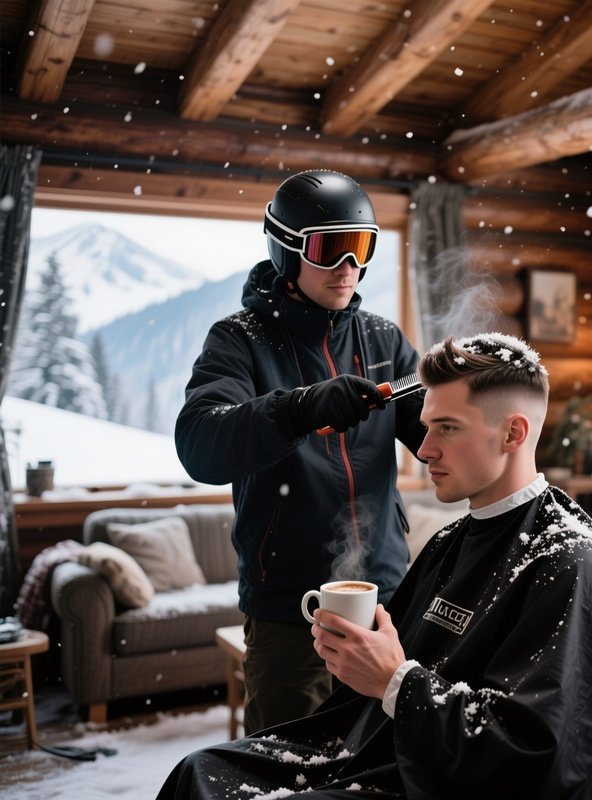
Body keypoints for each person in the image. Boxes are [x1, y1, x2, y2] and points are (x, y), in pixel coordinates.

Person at [160, 332, 592, 800]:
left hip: (447, 783)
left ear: (513, 433)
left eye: (447, 428)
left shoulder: (567, 563)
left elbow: (537, 754)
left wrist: (395, 681)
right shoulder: (452, 540)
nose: (423, 451)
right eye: (426, 427)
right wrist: (365, 663)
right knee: (199, 770)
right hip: (405, 757)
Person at [174, 169, 426, 733]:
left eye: (361, 247)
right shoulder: (241, 339)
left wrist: (471, 395)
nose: (348, 267)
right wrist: (299, 408)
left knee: (385, 754)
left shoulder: (382, 339)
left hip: (386, 601)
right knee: (288, 763)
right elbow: (199, 444)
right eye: (330, 249)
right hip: (293, 611)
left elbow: (433, 430)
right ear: (287, 250)